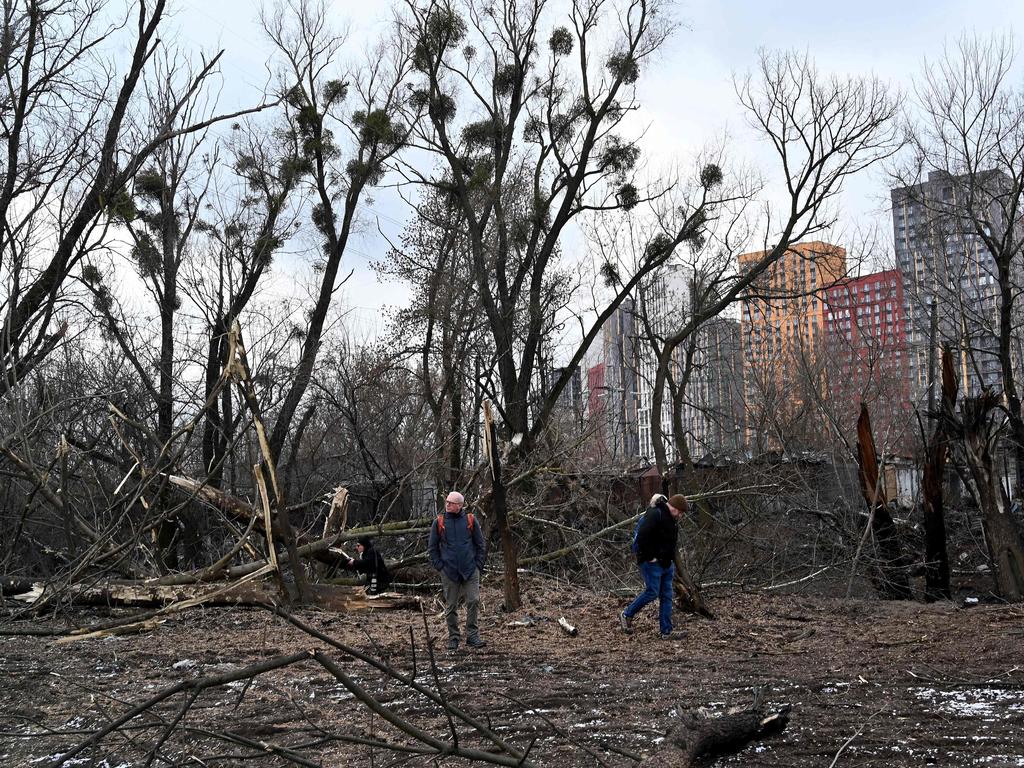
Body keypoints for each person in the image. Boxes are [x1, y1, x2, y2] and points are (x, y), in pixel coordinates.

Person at [619, 493, 687, 638]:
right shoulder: (656, 514)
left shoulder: (670, 518)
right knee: (652, 592)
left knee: (667, 596)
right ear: (674, 508)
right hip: (652, 563)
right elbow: (642, 536)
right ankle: (626, 614)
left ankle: (666, 632)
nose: (680, 516)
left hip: (666, 564)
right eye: (680, 512)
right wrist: (650, 557)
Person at [428, 490, 487, 650]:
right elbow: (432, 548)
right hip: (449, 571)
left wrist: (478, 565)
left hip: (470, 569)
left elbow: (480, 545)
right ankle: (454, 637)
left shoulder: (470, 520)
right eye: (446, 501)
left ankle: (472, 636)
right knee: (451, 606)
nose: (447, 504)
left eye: (451, 503)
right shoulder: (439, 522)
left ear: (460, 505)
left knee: (473, 601)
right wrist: (440, 566)